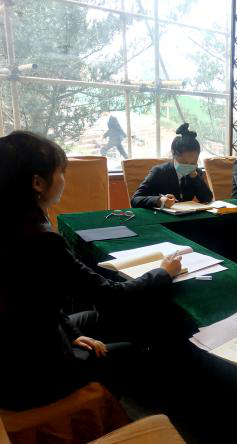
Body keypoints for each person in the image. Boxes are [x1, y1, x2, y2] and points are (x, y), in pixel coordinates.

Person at [0, 131, 182, 410]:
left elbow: (37, 300)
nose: (64, 179)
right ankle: (98, 417)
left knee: (103, 319)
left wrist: (72, 333)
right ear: (37, 182)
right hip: (35, 374)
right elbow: (110, 294)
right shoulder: (40, 240)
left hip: (19, 348)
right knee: (135, 353)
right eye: (60, 172)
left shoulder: (13, 223)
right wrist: (162, 272)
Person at [131, 123, 213, 209]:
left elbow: (207, 199)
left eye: (193, 162)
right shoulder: (159, 172)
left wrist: (195, 176)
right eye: (184, 162)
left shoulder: (195, 172)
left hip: (185, 215)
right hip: (162, 215)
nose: (189, 165)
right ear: (173, 153)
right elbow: (135, 200)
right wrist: (159, 200)